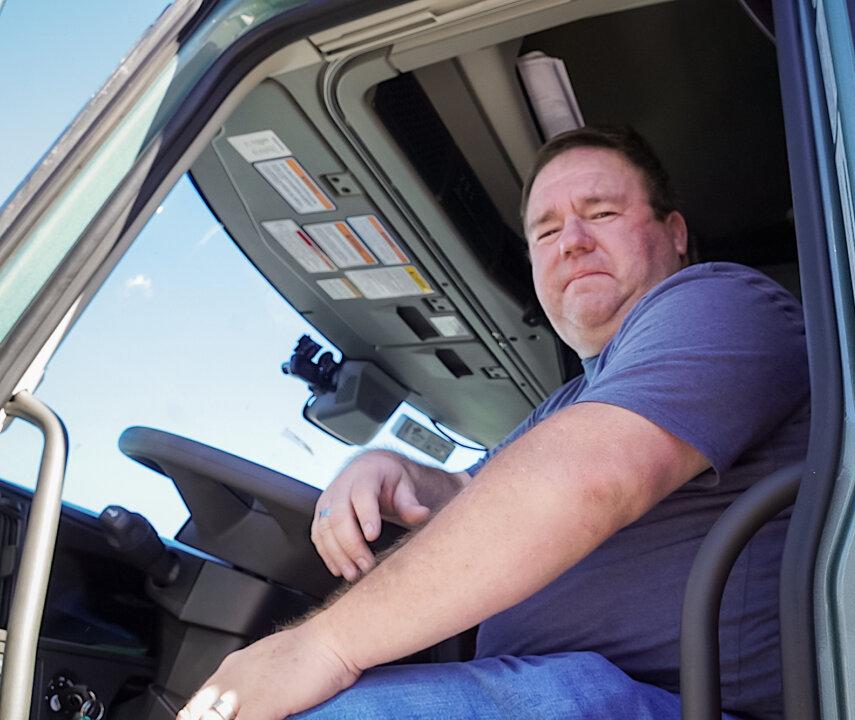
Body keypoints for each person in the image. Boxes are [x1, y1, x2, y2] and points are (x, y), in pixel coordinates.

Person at [178, 126, 809, 720]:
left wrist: (321, 647)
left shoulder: (722, 301)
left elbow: (585, 478)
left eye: (602, 213)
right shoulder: (567, 404)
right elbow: (469, 491)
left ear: (673, 232)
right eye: (546, 230)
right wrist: (396, 469)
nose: (573, 241)